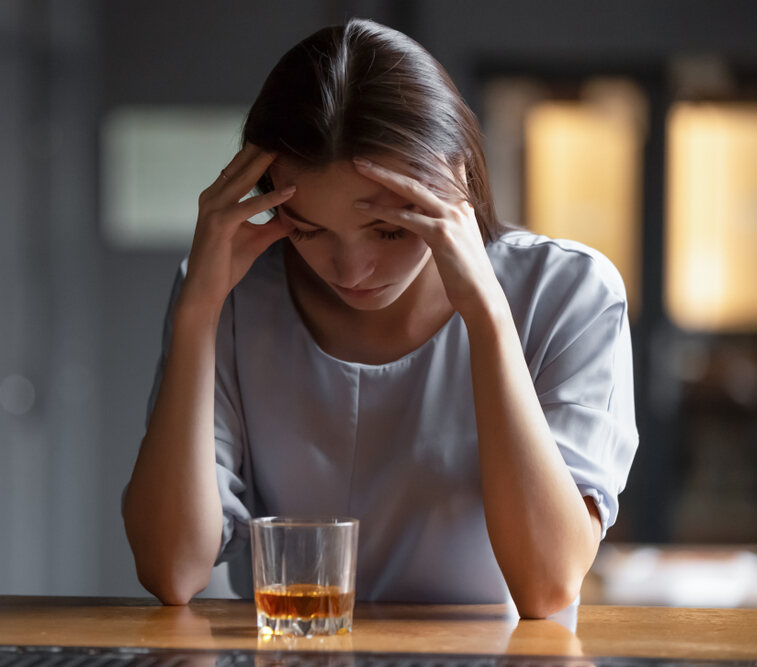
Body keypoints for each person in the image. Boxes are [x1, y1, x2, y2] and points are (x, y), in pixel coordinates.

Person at [122, 18, 638, 618]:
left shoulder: (568, 292)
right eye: (308, 230)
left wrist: (487, 315)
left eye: (390, 229)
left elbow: (547, 585)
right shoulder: (233, 296)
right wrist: (197, 312)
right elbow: (171, 570)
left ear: (457, 181)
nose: (351, 269)